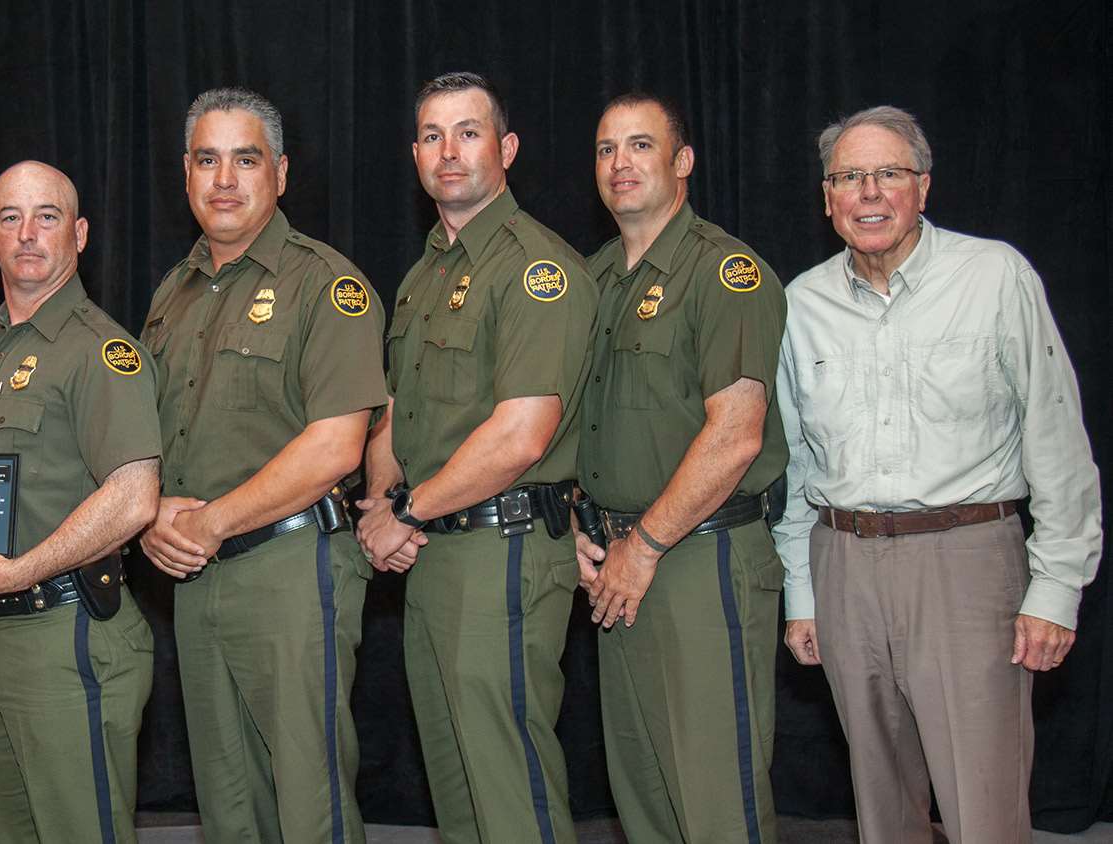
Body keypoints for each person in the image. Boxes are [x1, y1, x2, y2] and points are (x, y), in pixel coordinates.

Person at [774, 105, 1102, 844]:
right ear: (827, 198)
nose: (868, 193)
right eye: (848, 177)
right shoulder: (801, 303)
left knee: (982, 809)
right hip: (843, 565)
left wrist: (1056, 587)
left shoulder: (993, 277)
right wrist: (803, 593)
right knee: (882, 809)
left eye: (888, 174)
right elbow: (795, 465)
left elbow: (1056, 434)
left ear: (924, 186)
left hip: (966, 564)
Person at [137, 87, 385, 844]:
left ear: (280, 172)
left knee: (309, 800)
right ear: (185, 173)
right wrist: (151, 520)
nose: (224, 179)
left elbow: (336, 445)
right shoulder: (170, 296)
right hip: (195, 573)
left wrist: (208, 522)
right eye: (207, 160)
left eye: (245, 159)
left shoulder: (326, 286)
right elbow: (152, 439)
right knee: (227, 797)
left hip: (291, 569)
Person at [355, 72, 595, 844]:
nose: (447, 151)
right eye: (431, 135)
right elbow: (399, 412)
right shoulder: (425, 274)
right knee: (457, 786)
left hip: (506, 549)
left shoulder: (536, 270)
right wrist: (379, 499)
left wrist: (405, 513)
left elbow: (521, 434)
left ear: (508, 149)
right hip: (435, 554)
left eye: (467, 132)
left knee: (507, 784)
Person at [574, 93, 788, 844]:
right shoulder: (592, 278)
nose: (620, 163)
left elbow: (734, 436)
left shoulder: (724, 271)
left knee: (713, 799)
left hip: (699, 558)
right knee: (644, 795)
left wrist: (647, 546)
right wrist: (578, 522)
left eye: (639, 145)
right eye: (606, 149)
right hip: (616, 564)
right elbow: (578, 423)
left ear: (682, 162)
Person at [0, 160, 162, 843]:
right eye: (11, 218)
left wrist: (20, 570)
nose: (28, 234)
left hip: (69, 633)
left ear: (80, 234)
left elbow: (133, 497)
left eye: (48, 216)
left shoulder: (101, 352)